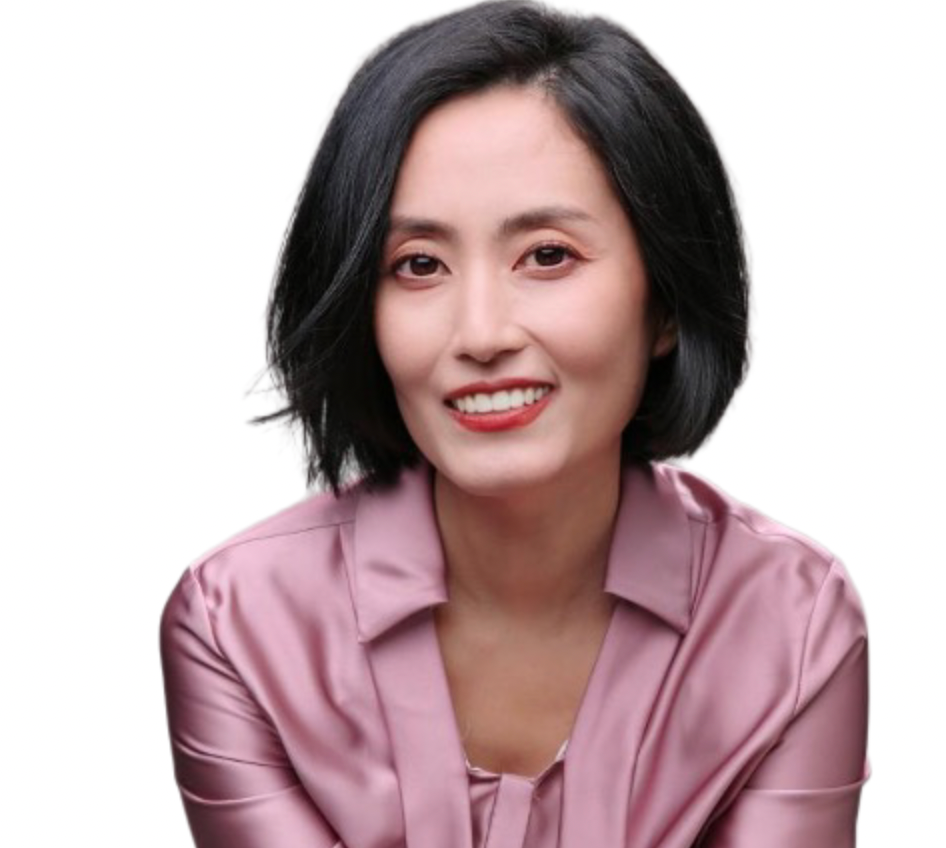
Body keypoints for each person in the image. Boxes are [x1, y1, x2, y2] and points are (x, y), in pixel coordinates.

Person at [159, 1, 870, 846]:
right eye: (419, 265)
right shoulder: (239, 622)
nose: (482, 334)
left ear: (667, 299)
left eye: (547, 256)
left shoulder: (790, 622)